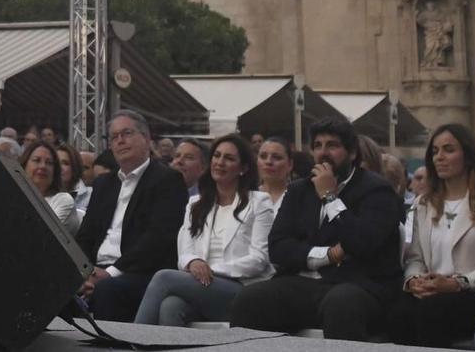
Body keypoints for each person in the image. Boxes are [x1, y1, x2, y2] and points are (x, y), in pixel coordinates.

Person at [229, 118, 404, 341]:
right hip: (305, 282)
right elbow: (278, 248)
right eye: (318, 146)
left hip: (360, 284)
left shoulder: (376, 190)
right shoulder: (299, 190)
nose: (323, 153)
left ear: (351, 153)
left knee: (341, 303)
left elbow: (362, 243)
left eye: (332, 145)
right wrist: (327, 255)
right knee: (250, 300)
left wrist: (330, 198)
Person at [389, 123, 475, 347]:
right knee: (398, 314)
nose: (439, 157)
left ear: (468, 155)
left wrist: (456, 283)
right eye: (435, 151)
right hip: (433, 291)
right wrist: (414, 280)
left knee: (432, 312)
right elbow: (414, 257)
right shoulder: (421, 203)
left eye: (448, 150)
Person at [134, 133, 271, 326]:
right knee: (171, 306)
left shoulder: (259, 202)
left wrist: (209, 270)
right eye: (217, 156)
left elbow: (259, 260)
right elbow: (184, 252)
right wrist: (193, 262)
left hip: (242, 289)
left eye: (229, 158)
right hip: (202, 285)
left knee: (163, 277)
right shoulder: (195, 204)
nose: (220, 162)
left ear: (243, 168)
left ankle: (131, 343)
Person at [74, 111, 191, 321]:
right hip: (96, 270)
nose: (120, 141)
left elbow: (158, 239)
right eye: (114, 137)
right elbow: (86, 235)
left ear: (146, 139)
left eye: (126, 133)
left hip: (140, 273)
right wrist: (84, 272)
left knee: (109, 290)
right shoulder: (103, 184)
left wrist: (110, 272)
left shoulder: (167, 180)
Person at [25, 139, 79, 232]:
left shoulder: (62, 200)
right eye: (36, 160)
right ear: (24, 165)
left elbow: (41, 235)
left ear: (55, 170)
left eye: (49, 163)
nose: (42, 166)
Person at [256, 136, 295, 225]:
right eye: (263, 156)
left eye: (277, 157)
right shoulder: (246, 196)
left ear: (290, 164)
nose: (268, 162)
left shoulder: (298, 198)